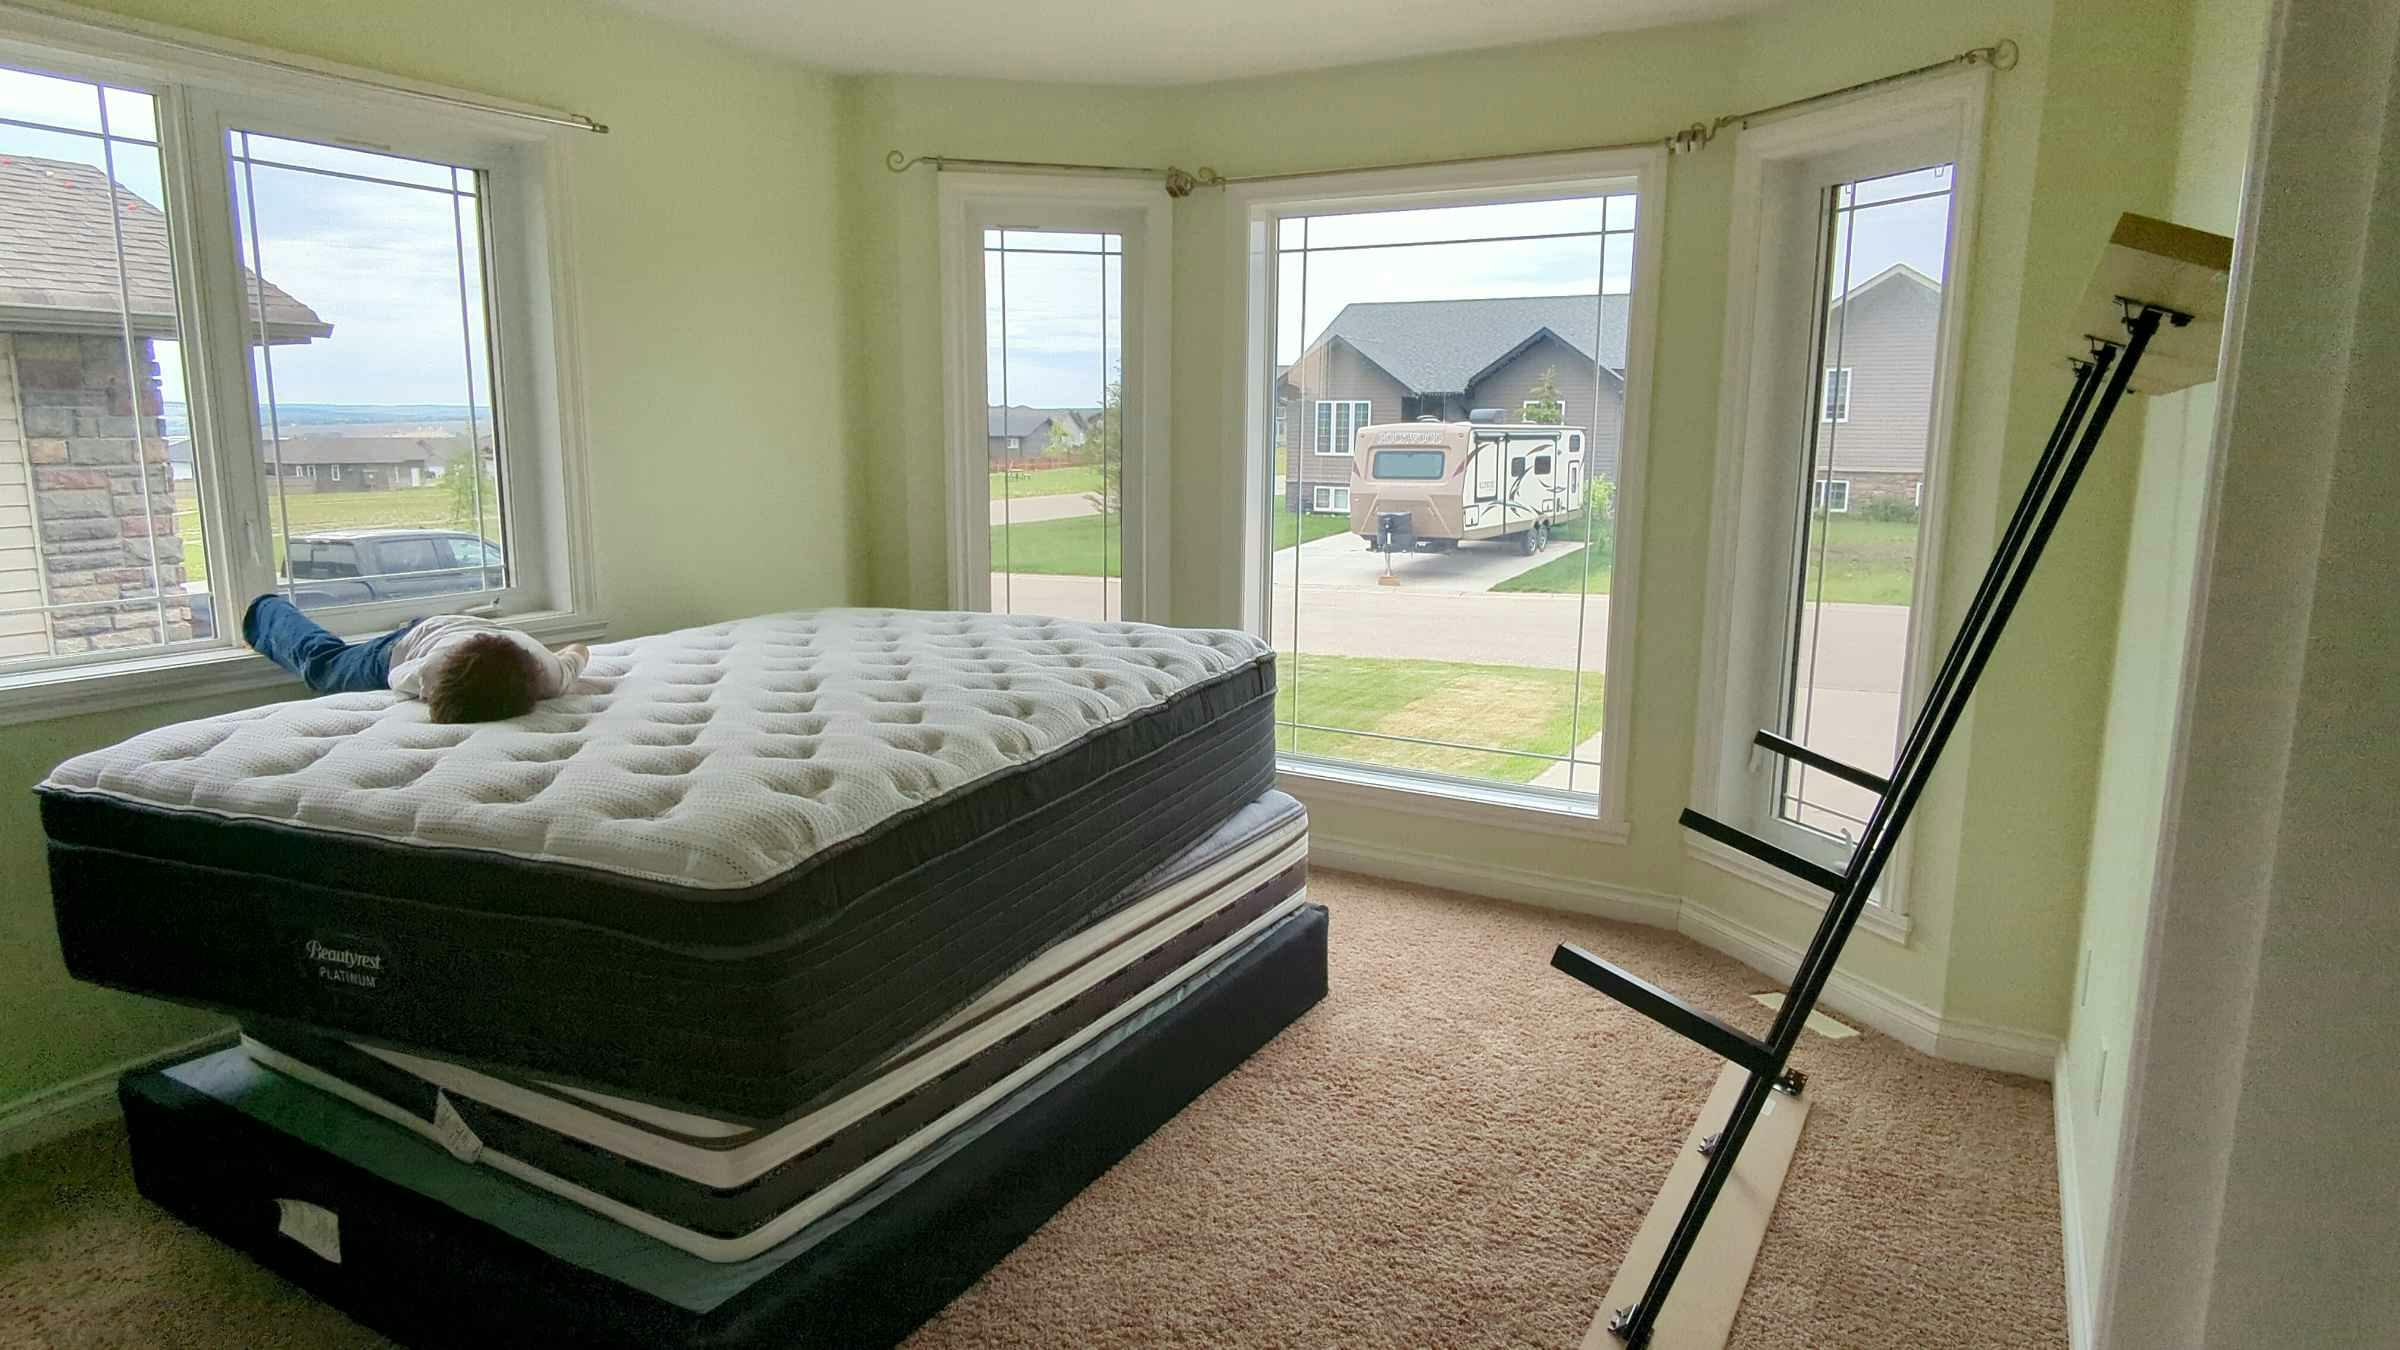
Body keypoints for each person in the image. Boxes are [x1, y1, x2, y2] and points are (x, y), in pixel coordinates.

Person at [242, 594, 590, 724]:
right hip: (408, 643)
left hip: (468, 631)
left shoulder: (551, 675)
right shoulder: (426, 671)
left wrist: (570, 652)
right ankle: (264, 611)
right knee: (325, 668)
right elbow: (392, 676)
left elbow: (579, 652)